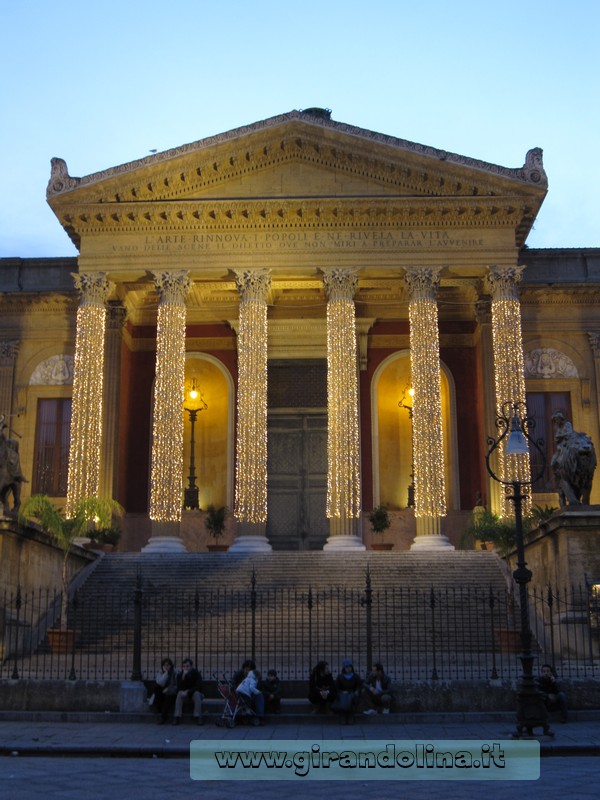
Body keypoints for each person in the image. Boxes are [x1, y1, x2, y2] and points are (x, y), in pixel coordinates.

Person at [173, 657, 204, 725]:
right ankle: (177, 716)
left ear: (191, 666)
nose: (186, 668)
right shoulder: (180, 675)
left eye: (187, 666)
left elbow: (198, 687)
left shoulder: (196, 674)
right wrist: (183, 678)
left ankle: (198, 716)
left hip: (195, 694)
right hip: (185, 695)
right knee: (179, 693)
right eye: (184, 666)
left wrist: (188, 691)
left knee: (196, 693)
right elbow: (179, 688)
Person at [235, 659, 265, 726]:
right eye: (246, 669)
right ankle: (235, 717)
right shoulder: (238, 675)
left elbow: (258, 687)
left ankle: (260, 717)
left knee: (260, 695)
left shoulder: (255, 677)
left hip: (251, 695)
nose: (247, 671)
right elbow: (233, 685)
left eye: (249, 670)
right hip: (240, 695)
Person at [333, 658, 362, 725]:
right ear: (344, 668)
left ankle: (350, 715)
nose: (348, 668)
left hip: (352, 693)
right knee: (344, 699)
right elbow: (336, 687)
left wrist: (357, 691)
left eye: (349, 667)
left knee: (351, 698)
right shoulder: (340, 677)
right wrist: (341, 692)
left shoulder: (355, 676)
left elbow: (359, 686)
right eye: (346, 667)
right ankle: (343, 716)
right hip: (343, 693)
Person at [150, 657, 178, 724]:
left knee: (167, 697)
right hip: (162, 693)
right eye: (165, 665)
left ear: (171, 665)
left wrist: (168, 689)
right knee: (157, 687)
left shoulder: (175, 673)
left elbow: (176, 686)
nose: (166, 666)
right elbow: (159, 683)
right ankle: (157, 708)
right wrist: (165, 673)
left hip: (171, 693)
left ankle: (163, 717)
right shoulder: (161, 672)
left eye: (168, 665)